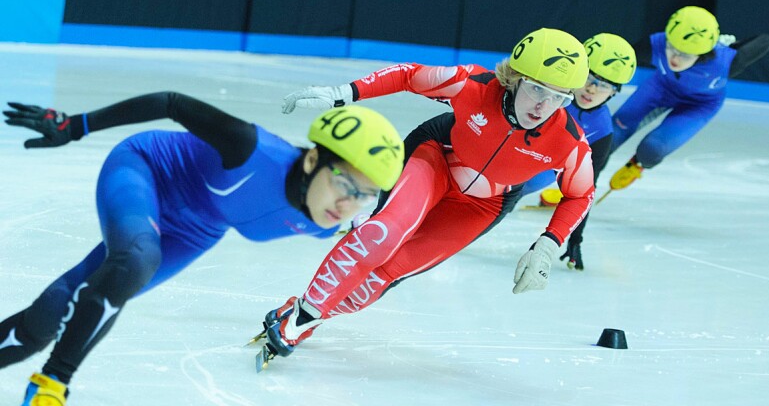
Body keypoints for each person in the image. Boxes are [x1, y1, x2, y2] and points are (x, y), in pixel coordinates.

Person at [0, 92, 404, 405]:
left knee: (51, 319)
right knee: (138, 260)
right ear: (313, 158)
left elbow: (378, 249)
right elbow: (171, 103)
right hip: (147, 170)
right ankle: (52, 385)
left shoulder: (325, 221)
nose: (347, 203)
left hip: (197, 230)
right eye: (344, 184)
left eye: (364, 196)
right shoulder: (250, 148)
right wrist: (77, 125)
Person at [257, 28, 595, 361]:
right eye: (536, 89)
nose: (543, 105)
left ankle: (301, 310)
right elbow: (409, 75)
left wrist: (549, 244)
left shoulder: (568, 140)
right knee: (386, 233)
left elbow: (581, 194)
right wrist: (343, 92)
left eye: (559, 98)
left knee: (379, 280)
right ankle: (301, 321)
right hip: (435, 157)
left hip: (485, 204)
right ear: (515, 78)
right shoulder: (474, 85)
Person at [607, 6, 769, 190]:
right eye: (671, 47)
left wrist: (736, 46)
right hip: (661, 89)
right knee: (611, 135)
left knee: (651, 150)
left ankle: (637, 162)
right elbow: (619, 58)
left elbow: (766, 40)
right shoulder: (657, 44)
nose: (674, 57)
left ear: (703, 53)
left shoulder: (726, 61)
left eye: (685, 54)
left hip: (699, 105)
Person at [518, 33, 638, 271]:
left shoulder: (603, 130)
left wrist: (574, 238)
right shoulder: (547, 90)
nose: (592, 89)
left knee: (519, 186)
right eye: (590, 77)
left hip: (537, 167)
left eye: (604, 85)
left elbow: (585, 190)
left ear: (614, 92)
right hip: (506, 152)